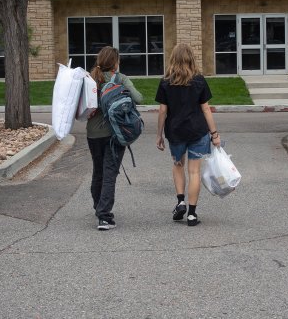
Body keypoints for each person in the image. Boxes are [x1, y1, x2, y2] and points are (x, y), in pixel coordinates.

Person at [155, 43, 221, 227]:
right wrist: (214, 134)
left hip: (175, 132)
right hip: (198, 131)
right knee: (194, 172)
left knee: (178, 165)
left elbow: (162, 111)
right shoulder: (199, 80)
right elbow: (206, 109)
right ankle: (192, 214)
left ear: (173, 59)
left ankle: (180, 202)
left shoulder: (166, 82)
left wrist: (159, 134)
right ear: (191, 59)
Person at [87, 46, 143, 231]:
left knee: (98, 171)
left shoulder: (90, 79)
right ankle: (104, 217)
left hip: (93, 134)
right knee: (110, 173)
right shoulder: (120, 79)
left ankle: (98, 207)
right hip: (115, 134)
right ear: (115, 62)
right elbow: (138, 98)